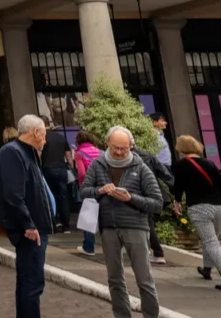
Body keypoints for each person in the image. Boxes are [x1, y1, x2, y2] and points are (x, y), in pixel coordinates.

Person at [78, 126, 162, 318]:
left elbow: (156, 202)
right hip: (108, 227)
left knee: (144, 278)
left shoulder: (141, 167)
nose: (119, 152)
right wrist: (99, 191)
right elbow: (83, 192)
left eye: (123, 148)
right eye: (115, 147)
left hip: (136, 227)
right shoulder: (97, 165)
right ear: (107, 143)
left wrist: (130, 198)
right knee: (114, 278)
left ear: (130, 146)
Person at [0, 115, 54, 318]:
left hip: (35, 226)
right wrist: (28, 224)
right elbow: (13, 194)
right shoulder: (13, 152)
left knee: (31, 281)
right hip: (31, 229)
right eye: (44, 134)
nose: (45, 140)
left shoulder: (26, 153)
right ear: (35, 132)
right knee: (31, 282)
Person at [171, 135, 221, 293]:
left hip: (198, 207)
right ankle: (206, 269)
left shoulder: (180, 165)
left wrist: (176, 202)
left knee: (211, 242)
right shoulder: (210, 164)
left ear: (181, 148)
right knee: (211, 239)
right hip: (218, 207)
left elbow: (178, 186)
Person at [132, 143, 174, 265]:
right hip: (154, 193)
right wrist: (175, 192)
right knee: (146, 221)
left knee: (146, 222)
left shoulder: (126, 157)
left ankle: (157, 252)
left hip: (138, 193)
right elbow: (165, 174)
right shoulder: (148, 155)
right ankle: (152, 251)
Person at [40, 118, 74, 234]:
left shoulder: (42, 138)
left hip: (47, 169)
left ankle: (55, 223)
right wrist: (71, 168)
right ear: (49, 124)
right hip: (61, 169)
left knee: (50, 196)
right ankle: (66, 225)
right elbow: (69, 156)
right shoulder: (61, 137)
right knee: (63, 196)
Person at [73, 131, 102, 256]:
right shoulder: (101, 152)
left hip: (89, 187)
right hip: (103, 186)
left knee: (88, 217)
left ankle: (89, 247)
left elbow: (81, 173)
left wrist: (82, 186)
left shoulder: (79, 153)